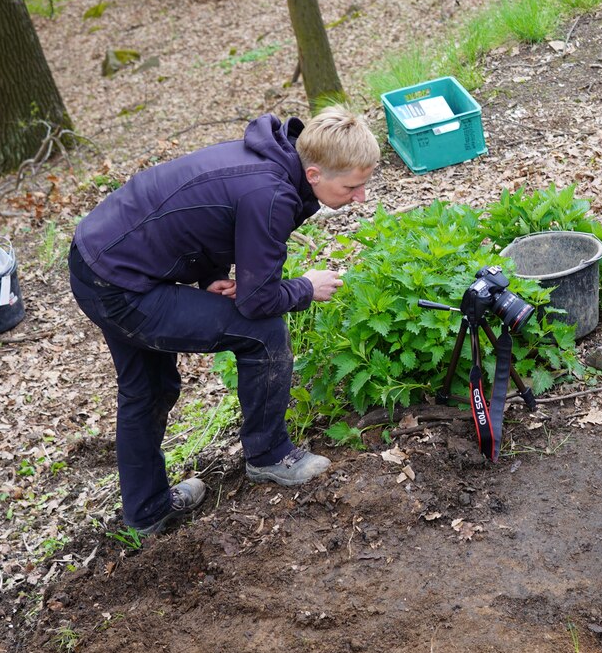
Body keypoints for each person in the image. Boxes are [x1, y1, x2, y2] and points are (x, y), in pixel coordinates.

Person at [68, 107, 379, 535]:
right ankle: (269, 455)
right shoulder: (270, 193)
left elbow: (207, 217)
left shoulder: (268, 162)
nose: (360, 197)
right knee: (264, 333)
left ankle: (147, 512)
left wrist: (212, 276)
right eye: (353, 187)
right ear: (313, 173)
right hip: (120, 284)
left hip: (100, 258)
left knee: (149, 388)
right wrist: (306, 287)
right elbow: (259, 301)